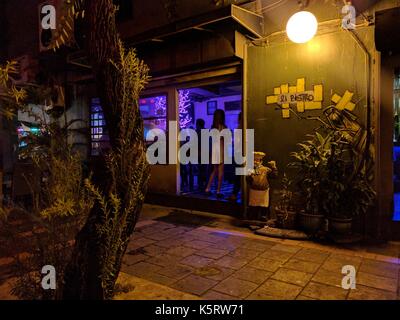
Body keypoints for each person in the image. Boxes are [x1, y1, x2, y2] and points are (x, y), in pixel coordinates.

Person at [247, 152, 278, 221]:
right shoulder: (251, 170)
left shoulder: (265, 169)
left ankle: (263, 216)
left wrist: (274, 167)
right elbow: (248, 180)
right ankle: (253, 217)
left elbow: (274, 176)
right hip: (254, 190)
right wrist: (250, 176)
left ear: (261, 161)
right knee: (253, 206)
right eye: (254, 160)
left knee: (263, 206)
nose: (255, 162)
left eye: (257, 160)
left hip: (263, 191)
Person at [205, 109, 227, 198]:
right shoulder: (223, 127)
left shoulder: (213, 127)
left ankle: (207, 188)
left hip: (214, 149)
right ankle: (218, 191)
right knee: (221, 171)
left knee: (214, 171)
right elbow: (225, 140)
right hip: (221, 149)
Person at [229, 112, 242, 202]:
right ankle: (236, 193)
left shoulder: (239, 128)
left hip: (239, 153)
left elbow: (236, 143)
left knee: (238, 175)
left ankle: (234, 194)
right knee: (240, 175)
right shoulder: (242, 127)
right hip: (242, 153)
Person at [195, 119, 207, 191]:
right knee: (204, 169)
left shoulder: (197, 132)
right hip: (205, 152)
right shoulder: (206, 131)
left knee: (200, 169)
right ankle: (205, 184)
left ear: (198, 124)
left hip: (199, 152)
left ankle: (200, 185)